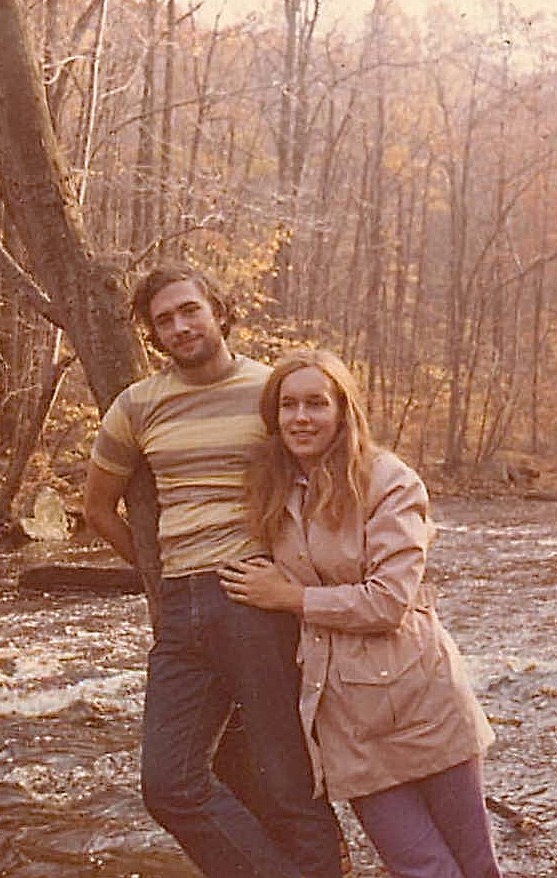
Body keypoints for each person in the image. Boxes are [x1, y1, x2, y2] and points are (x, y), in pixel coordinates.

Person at [83, 264, 343, 878]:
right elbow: (97, 508)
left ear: (218, 311)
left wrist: (300, 583)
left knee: (286, 780)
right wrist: (157, 578)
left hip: (255, 598)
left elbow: (331, 476)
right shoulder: (138, 405)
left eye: (188, 310)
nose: (179, 327)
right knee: (169, 784)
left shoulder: (270, 390)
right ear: (152, 334)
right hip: (180, 611)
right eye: (164, 320)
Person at [219, 348, 503, 878]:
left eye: (316, 404)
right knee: (419, 867)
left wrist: (292, 598)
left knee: (475, 866)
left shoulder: (389, 481)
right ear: (273, 417)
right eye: (288, 406)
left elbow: (389, 600)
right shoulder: (273, 490)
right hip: (343, 718)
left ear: (343, 410)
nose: (301, 418)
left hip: (423, 701)